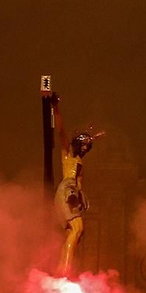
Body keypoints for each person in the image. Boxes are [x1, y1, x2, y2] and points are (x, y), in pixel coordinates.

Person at [51, 94, 102, 274]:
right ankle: (64, 270)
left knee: (75, 234)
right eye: (85, 145)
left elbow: (79, 185)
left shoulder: (79, 161)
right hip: (67, 191)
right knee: (78, 229)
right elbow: (61, 131)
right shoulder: (68, 154)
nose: (86, 149)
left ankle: (62, 269)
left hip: (71, 194)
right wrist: (56, 109)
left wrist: (81, 199)